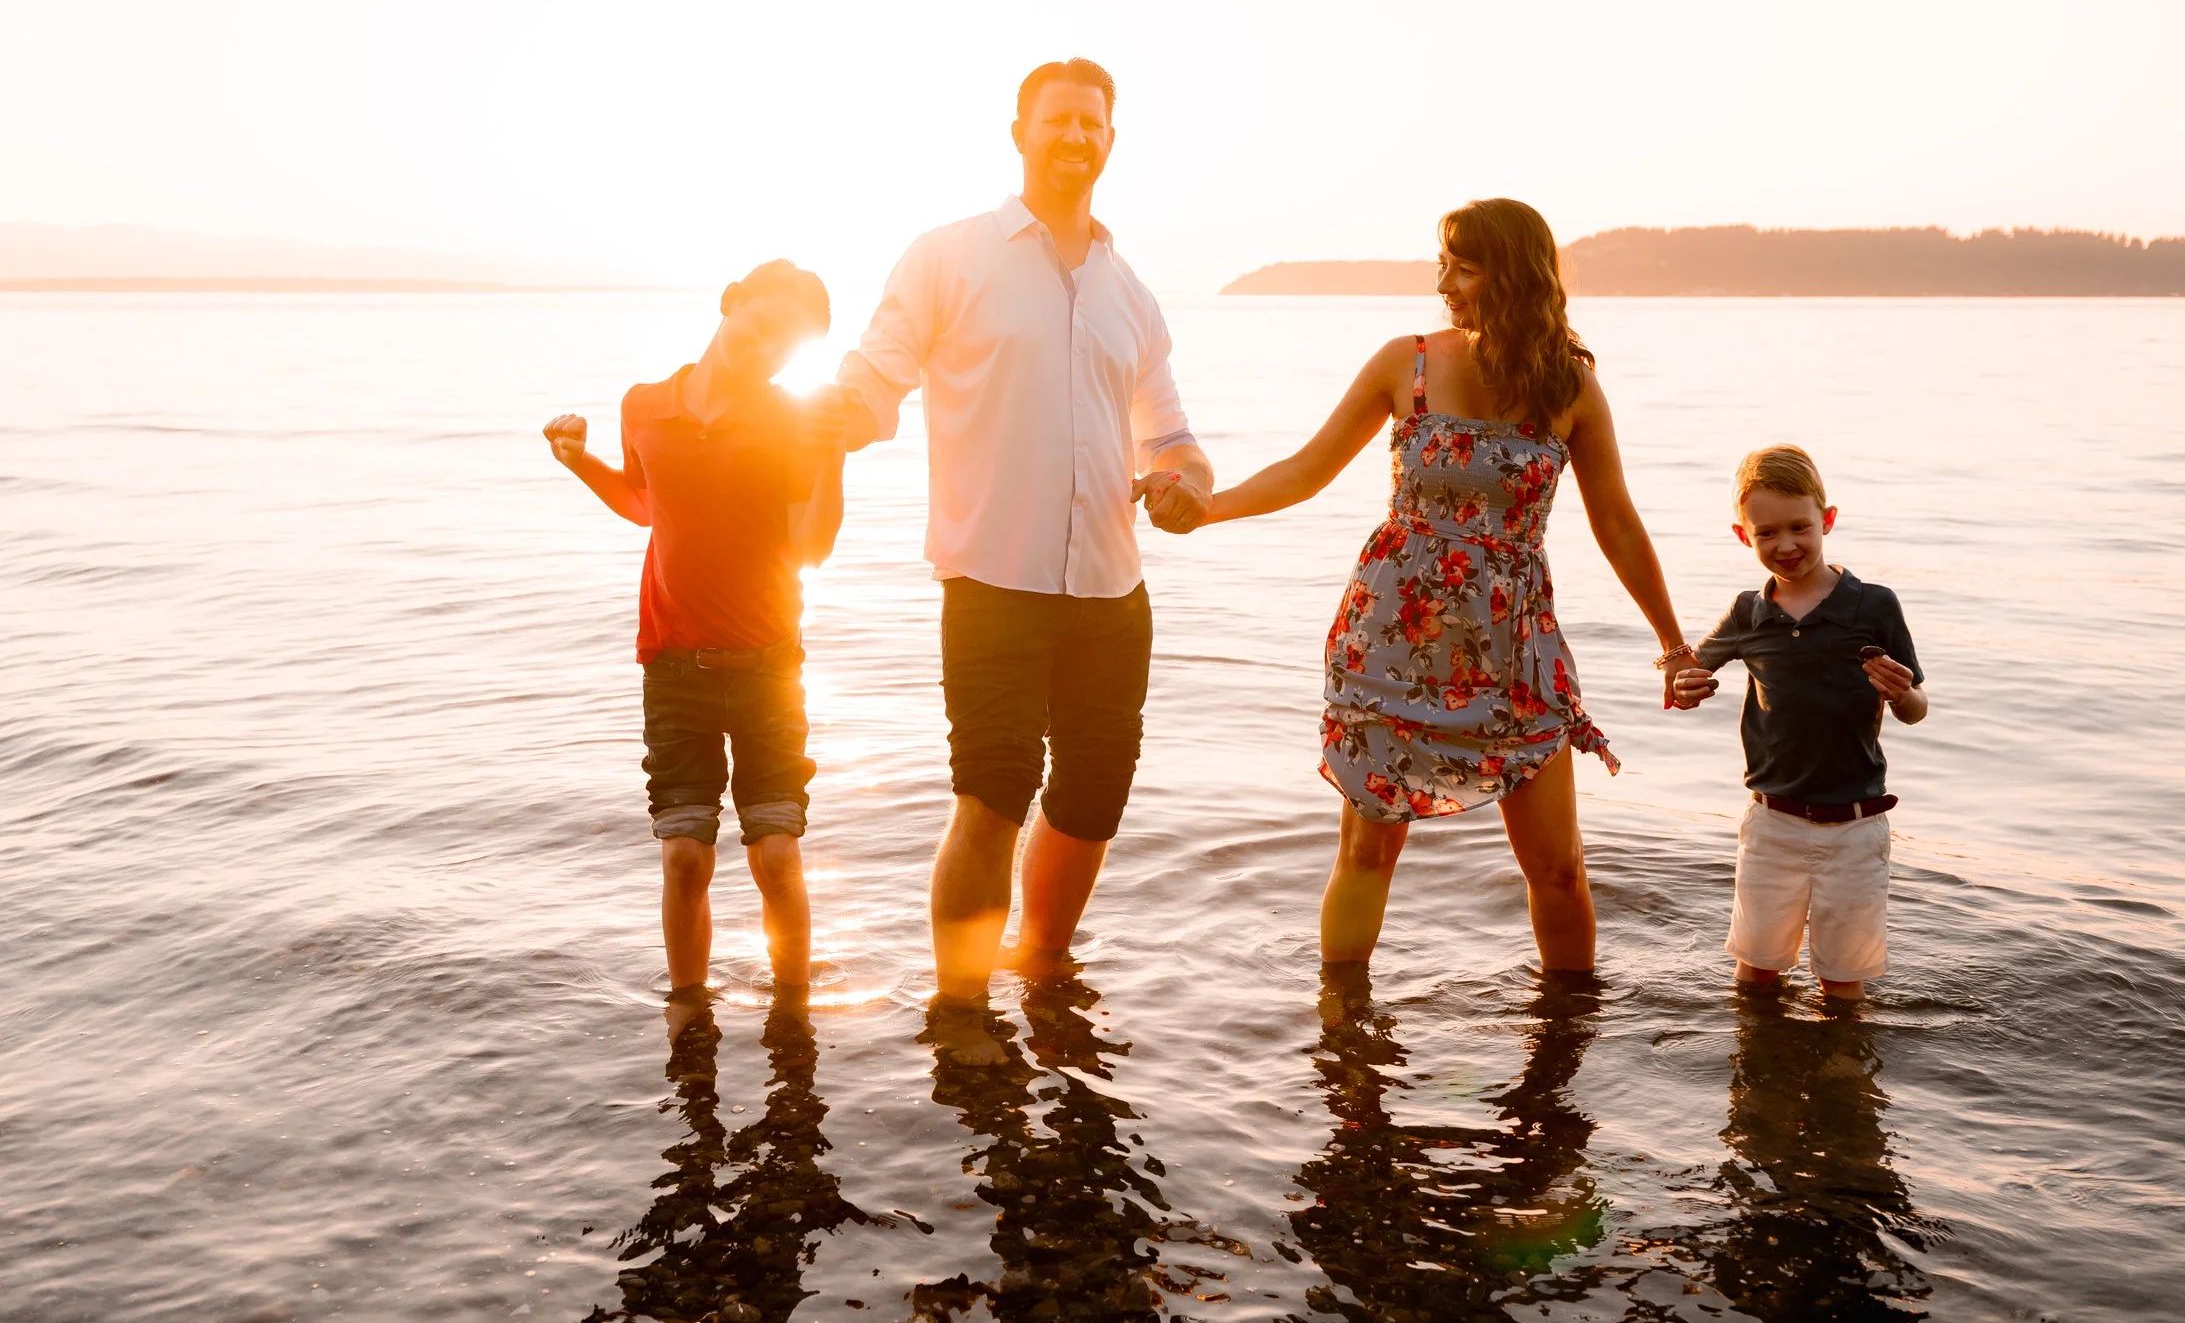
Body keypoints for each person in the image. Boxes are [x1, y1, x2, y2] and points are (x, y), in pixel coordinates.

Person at [1202, 197, 1701, 971]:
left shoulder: (1568, 388)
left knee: (1559, 870)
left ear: (1516, 275)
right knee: (1367, 852)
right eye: (1444, 266)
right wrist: (1206, 510)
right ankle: (1342, 1023)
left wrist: (1673, 645)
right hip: (1392, 642)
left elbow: (1618, 524)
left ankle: (1566, 1031)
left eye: (1464, 269)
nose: (1444, 285)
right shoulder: (1404, 363)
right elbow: (1305, 470)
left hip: (1515, 651)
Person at [824, 58, 1212, 1002]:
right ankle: (960, 1012)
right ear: (1020, 134)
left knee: (1093, 798)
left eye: (1092, 123)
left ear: (1110, 141)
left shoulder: (1132, 294)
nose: (1076, 136)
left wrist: (1183, 484)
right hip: (992, 581)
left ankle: (1042, 972)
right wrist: (826, 420)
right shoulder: (949, 257)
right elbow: (876, 377)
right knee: (992, 796)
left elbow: (1173, 439)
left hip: (1112, 594)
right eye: (1058, 119)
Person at [542, 260, 844, 995]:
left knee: (776, 857)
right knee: (684, 859)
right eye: (762, 328)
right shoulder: (644, 405)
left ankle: (793, 1017)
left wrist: (831, 452)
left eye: (787, 347)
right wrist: (579, 461)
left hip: (769, 667)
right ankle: (687, 1015)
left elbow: (812, 546)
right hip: (674, 667)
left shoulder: (793, 420)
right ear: (730, 302)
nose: (768, 351)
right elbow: (646, 504)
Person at [1673, 445, 1928, 1000]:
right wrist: (1683, 686)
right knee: (1756, 972)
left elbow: (1916, 708)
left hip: (1856, 825)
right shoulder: (1747, 611)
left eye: (1799, 527)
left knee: (1842, 981)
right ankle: (1756, 1055)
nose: (1785, 545)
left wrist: (1902, 693)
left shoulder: (1874, 605)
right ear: (1743, 536)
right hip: (1772, 823)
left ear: (1827, 520)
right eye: (1766, 533)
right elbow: (1687, 673)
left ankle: (1842, 1056)